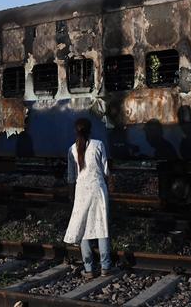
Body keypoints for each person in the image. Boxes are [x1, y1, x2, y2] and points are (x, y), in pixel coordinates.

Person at [63, 118, 112, 278]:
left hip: (81, 190)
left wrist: (71, 195)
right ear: (90, 129)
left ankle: (89, 269)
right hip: (98, 189)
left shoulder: (72, 149)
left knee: (83, 227)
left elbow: (71, 177)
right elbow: (105, 170)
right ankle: (105, 267)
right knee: (102, 226)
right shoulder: (98, 145)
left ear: (75, 131)